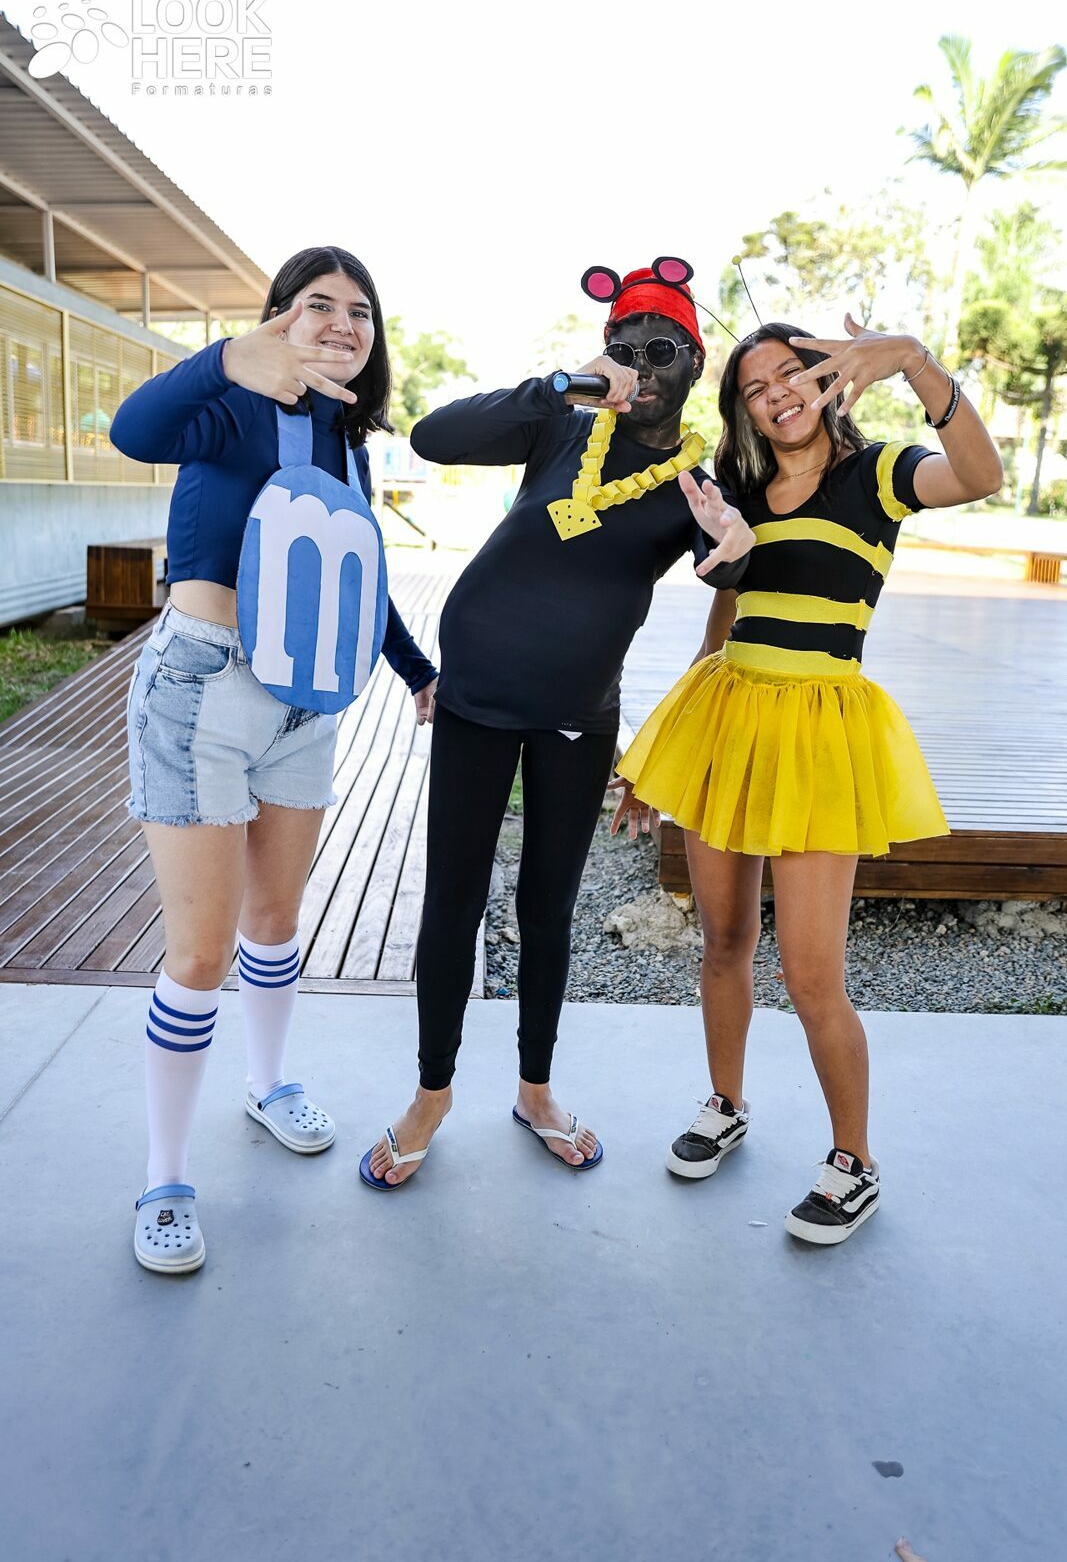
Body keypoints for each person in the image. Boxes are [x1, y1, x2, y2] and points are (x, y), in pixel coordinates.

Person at [361, 260, 756, 1189]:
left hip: (576, 717)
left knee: (546, 909)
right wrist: (562, 384)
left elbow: (732, 578)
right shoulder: (559, 423)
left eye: (661, 351)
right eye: (623, 347)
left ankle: (534, 1090)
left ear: (695, 363)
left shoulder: (692, 485)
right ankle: (430, 1094)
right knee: (452, 901)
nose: (640, 367)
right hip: (473, 699)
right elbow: (432, 435)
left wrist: (735, 550)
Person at [614, 314, 1003, 1242]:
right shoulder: (740, 487)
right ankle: (724, 1103)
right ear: (743, 411)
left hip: (819, 732)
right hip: (725, 718)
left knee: (811, 974)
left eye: (790, 373)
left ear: (828, 377)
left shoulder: (879, 474)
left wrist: (912, 361)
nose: (776, 395)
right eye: (754, 388)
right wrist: (658, 754)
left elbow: (980, 476)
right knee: (722, 939)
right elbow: (726, 613)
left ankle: (853, 1161)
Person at [111, 246, 438, 1272]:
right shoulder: (227, 404)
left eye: (359, 310)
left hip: (308, 700)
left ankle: (266, 1084)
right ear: (276, 318)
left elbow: (350, 577)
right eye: (316, 304)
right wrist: (224, 359)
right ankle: (165, 1176)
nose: (342, 323)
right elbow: (133, 431)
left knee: (276, 921)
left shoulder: (344, 439)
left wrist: (416, 672)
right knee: (199, 955)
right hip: (202, 690)